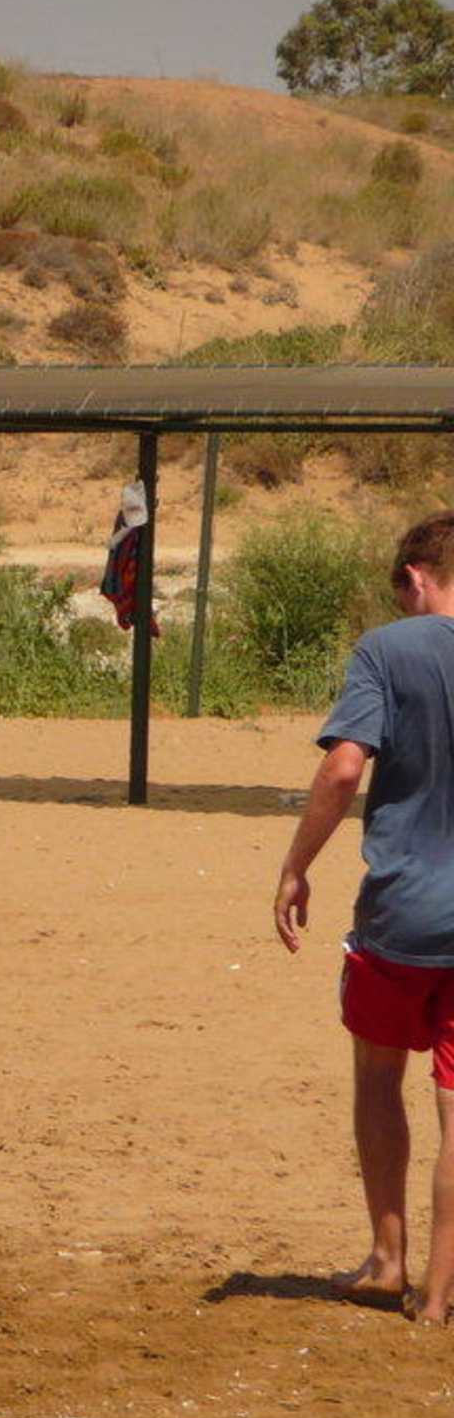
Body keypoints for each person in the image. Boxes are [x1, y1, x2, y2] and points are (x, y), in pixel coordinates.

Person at [276, 512, 454, 1323]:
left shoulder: (386, 650)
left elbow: (345, 768)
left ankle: (388, 1261)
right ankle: (440, 1295)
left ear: (415, 577)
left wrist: (296, 865)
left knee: (380, 1076)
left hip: (403, 917)